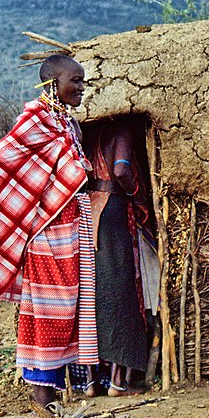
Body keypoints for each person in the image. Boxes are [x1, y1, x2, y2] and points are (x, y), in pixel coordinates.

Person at [0, 54, 97, 407]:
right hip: (47, 236)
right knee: (47, 312)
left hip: (72, 229)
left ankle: (53, 396)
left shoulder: (66, 124)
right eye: (75, 81)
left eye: (83, 81)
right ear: (52, 83)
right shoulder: (35, 122)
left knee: (70, 310)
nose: (81, 87)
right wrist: (30, 217)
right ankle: (42, 397)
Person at [78, 120, 156, 397]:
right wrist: (137, 196)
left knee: (92, 293)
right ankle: (117, 382)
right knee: (122, 292)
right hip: (113, 209)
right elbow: (121, 170)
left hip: (88, 209)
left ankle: (89, 382)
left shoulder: (84, 131)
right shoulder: (120, 129)